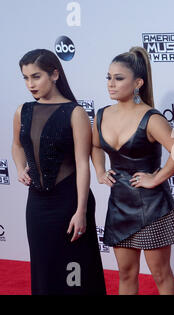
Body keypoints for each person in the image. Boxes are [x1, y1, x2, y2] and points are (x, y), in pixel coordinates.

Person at [12, 49, 106, 295]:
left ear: (54, 74)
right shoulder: (23, 110)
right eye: (25, 78)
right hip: (37, 205)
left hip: (70, 202)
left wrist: (81, 211)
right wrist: (20, 167)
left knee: (75, 270)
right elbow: (17, 145)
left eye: (36, 76)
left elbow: (83, 164)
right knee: (44, 268)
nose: (30, 84)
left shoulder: (74, 113)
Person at [91, 47, 174, 295]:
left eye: (119, 78)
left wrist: (157, 178)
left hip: (153, 208)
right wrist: (100, 171)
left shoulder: (152, 118)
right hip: (119, 206)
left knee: (161, 275)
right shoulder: (101, 115)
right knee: (126, 275)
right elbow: (95, 145)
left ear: (138, 83)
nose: (111, 84)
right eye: (108, 77)